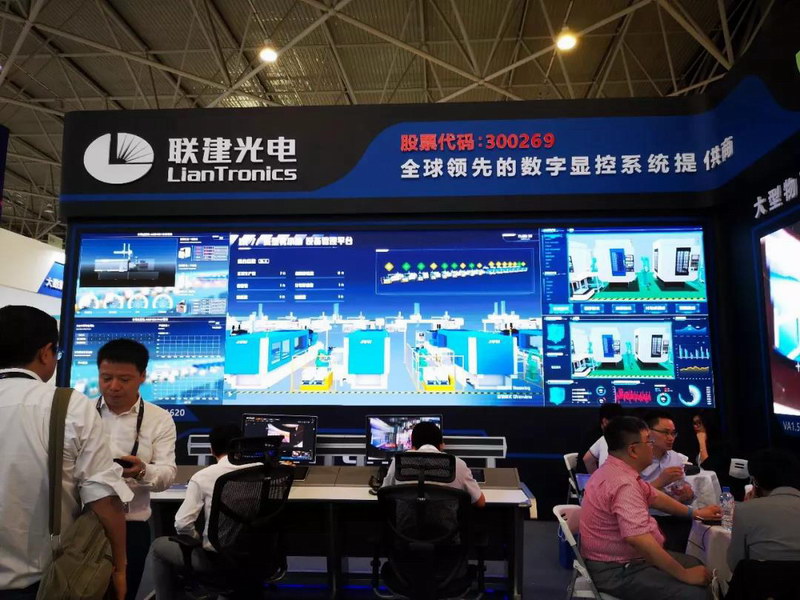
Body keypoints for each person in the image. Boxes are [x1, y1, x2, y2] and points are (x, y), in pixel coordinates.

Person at [0, 306, 131, 600]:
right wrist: (120, 567)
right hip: (46, 582)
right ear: (46, 352)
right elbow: (104, 498)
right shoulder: (68, 404)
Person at [579, 416, 721, 600]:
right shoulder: (623, 484)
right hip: (617, 569)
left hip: (623, 560)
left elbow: (654, 496)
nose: (652, 447)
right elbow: (638, 539)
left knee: (695, 564)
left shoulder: (614, 469)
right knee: (696, 593)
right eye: (649, 442)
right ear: (633, 450)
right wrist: (684, 575)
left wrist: (694, 513)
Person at [95, 338, 177, 600]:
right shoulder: (81, 413)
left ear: (142, 376)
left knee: (123, 594)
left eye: (124, 379)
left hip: (132, 525)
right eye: (106, 378)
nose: (114, 386)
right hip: (84, 523)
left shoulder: (159, 418)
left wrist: (142, 471)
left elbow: (167, 475)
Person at [150, 424, 249, 598]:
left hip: (217, 560)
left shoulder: (203, 477)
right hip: (258, 557)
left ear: (211, 450)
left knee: (158, 547)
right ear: (241, 445)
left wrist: (197, 540)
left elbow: (182, 524)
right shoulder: (266, 472)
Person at [727, 448, 800, 571]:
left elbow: (735, 565)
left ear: (756, 483)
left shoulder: (744, 510)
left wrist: (750, 506)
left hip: (760, 583)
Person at [382, 421, 486, 507]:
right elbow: (480, 502)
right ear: (441, 445)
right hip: (446, 525)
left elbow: (383, 494)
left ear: (412, 447)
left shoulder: (399, 462)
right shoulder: (458, 464)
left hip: (405, 525)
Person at [641, 410, 695, 552]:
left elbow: (682, 489)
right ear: (648, 432)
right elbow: (631, 496)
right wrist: (661, 481)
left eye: (673, 433)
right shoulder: (637, 458)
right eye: (665, 433)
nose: (670, 438)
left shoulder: (675, 457)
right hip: (648, 517)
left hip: (674, 515)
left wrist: (686, 493)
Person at [582, 403, 625, 473]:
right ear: (605, 421)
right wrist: (597, 478)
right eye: (617, 422)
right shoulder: (596, 437)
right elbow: (587, 460)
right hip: (588, 475)